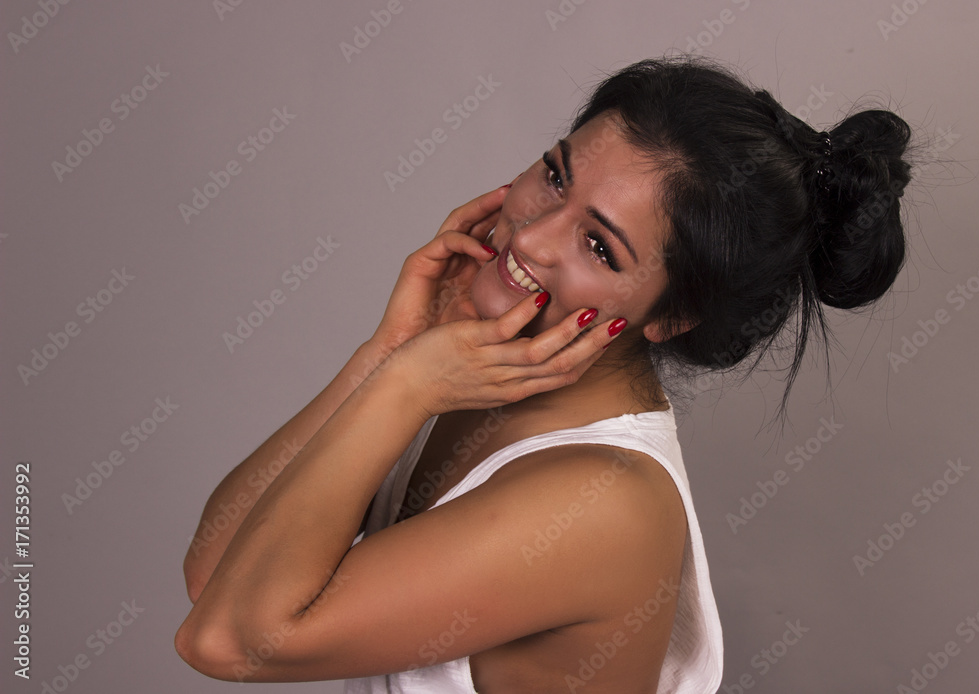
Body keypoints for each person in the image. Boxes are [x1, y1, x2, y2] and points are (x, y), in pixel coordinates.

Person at [174, 55, 911, 693]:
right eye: (555, 177)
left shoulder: (604, 505)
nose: (531, 235)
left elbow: (227, 640)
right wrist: (390, 354)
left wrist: (406, 383)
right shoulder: (470, 370)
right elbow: (214, 576)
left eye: (599, 246)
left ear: (671, 318)